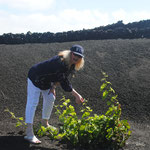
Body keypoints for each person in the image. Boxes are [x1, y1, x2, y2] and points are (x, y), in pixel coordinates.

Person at [24, 45, 85, 144]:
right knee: (33, 102)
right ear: (70, 53)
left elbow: (58, 77)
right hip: (35, 77)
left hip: (46, 81)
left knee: (50, 98)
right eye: (75, 54)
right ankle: (29, 133)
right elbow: (64, 82)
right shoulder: (60, 61)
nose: (76, 57)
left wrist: (53, 87)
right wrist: (77, 95)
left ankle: (45, 123)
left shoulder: (71, 64)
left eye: (79, 56)